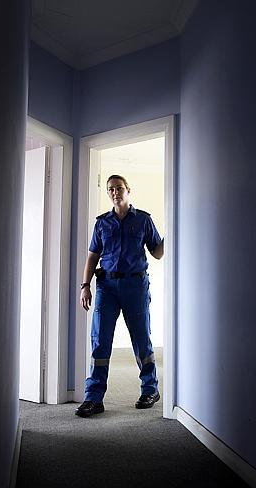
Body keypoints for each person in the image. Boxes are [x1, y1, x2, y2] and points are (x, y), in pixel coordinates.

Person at [75, 174, 164, 417]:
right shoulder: (102, 223)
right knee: (100, 341)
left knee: (141, 339)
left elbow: (157, 252)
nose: (115, 192)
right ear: (109, 193)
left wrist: (174, 232)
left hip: (135, 286)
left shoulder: (143, 220)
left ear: (128, 190)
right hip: (107, 287)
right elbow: (92, 256)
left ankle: (150, 390)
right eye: (111, 189)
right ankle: (93, 398)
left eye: (119, 188)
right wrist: (85, 285)